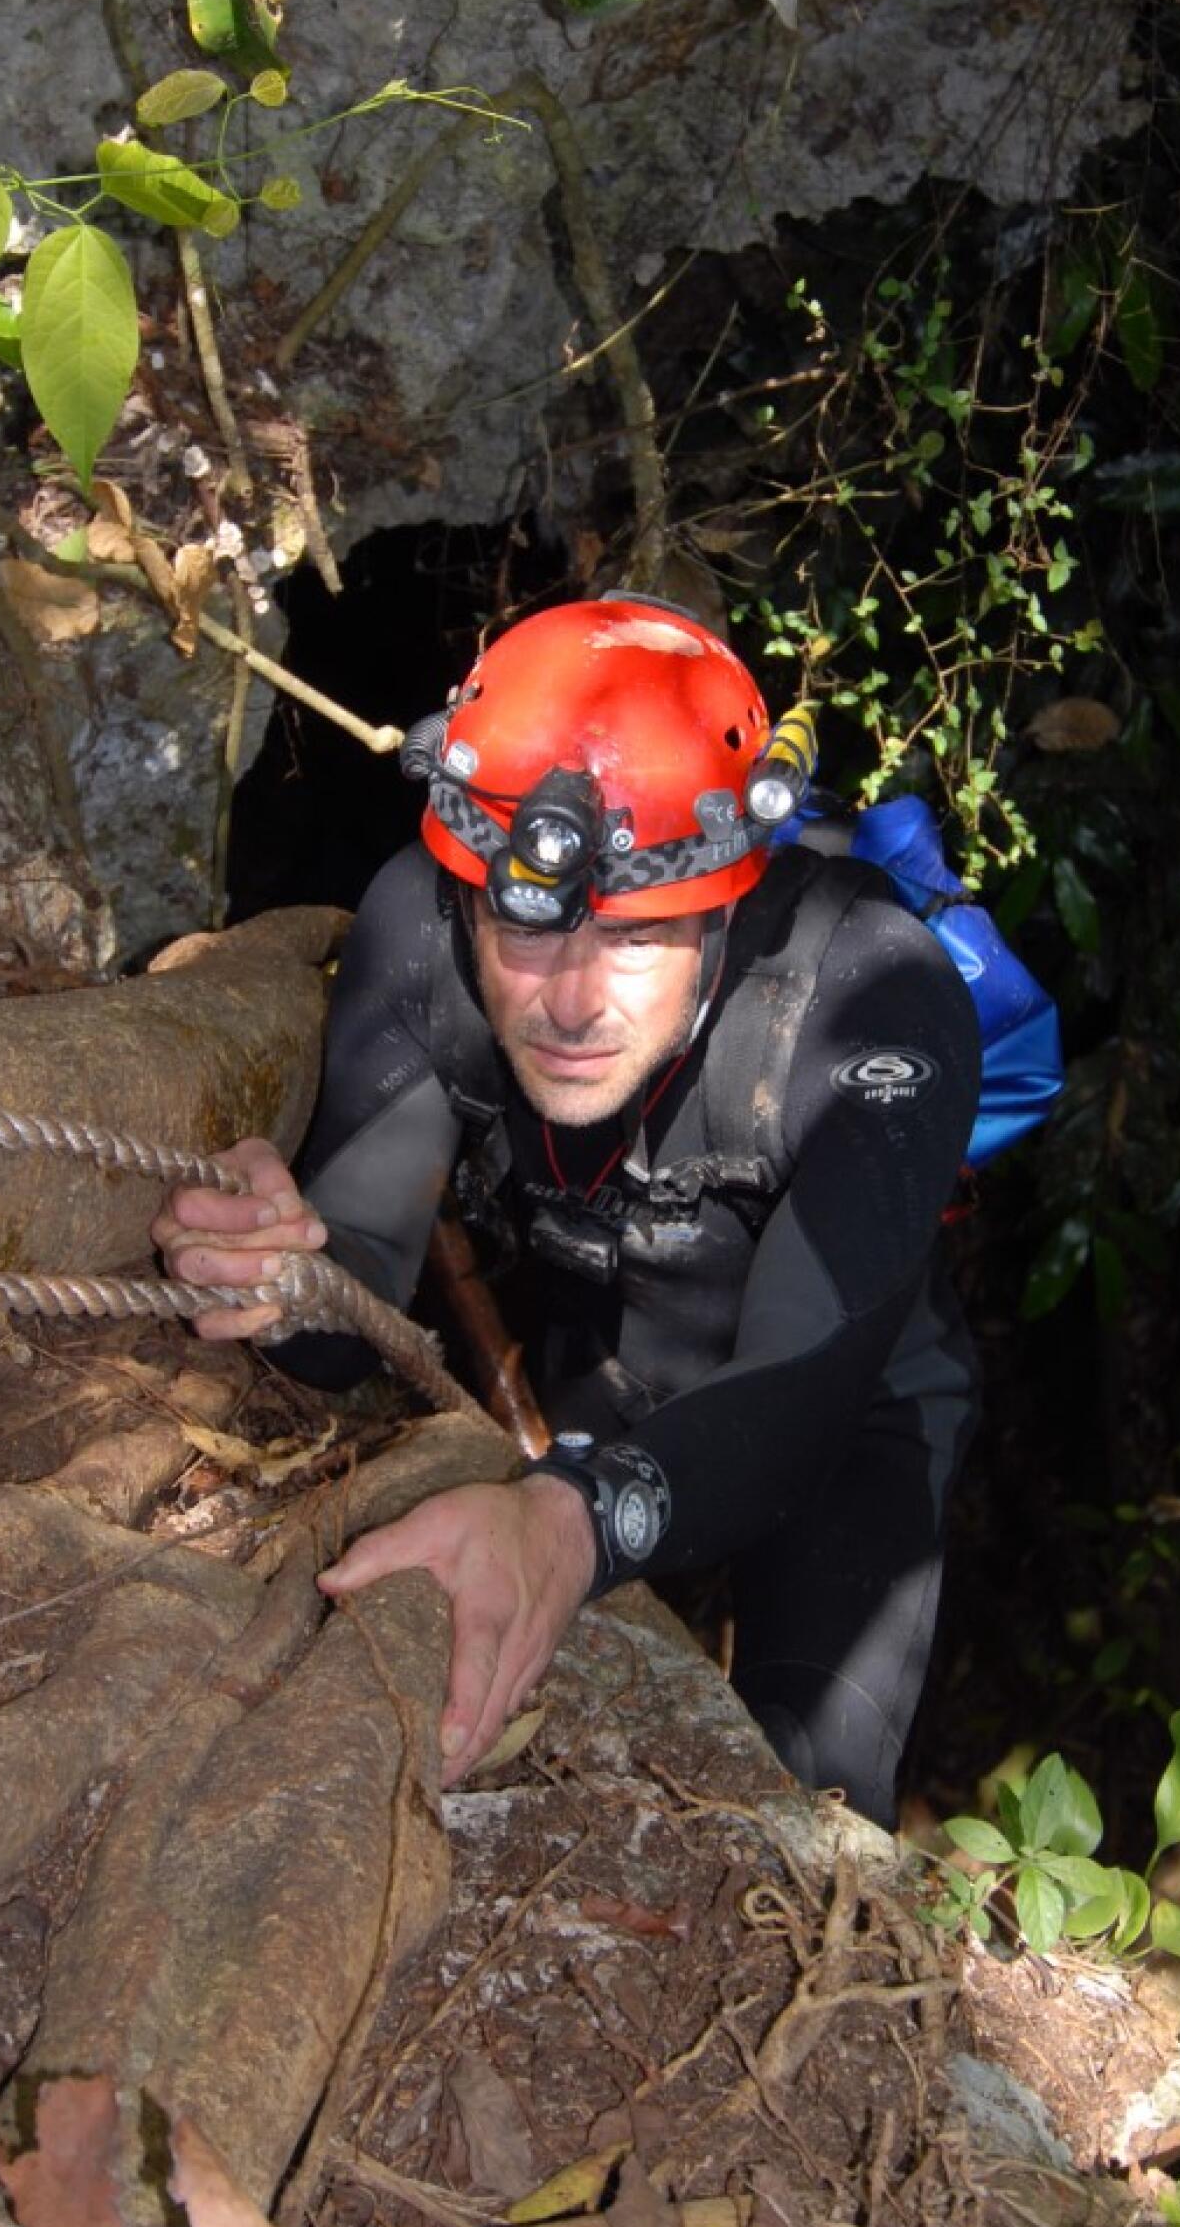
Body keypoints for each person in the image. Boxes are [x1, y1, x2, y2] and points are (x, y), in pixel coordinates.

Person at [153, 595, 980, 1827]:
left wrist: (567, 1526)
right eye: (525, 934)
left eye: (638, 938)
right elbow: (346, 1308)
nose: (574, 1004)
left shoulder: (868, 1001)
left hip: (848, 1424)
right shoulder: (421, 934)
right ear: (468, 894)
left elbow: (800, 1389)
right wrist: (279, 1274)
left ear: (723, 904)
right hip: (597, 1366)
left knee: (806, 1813)